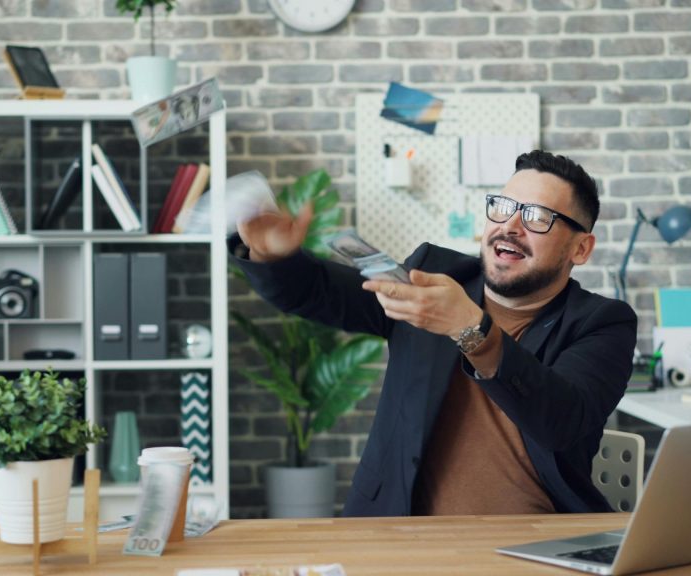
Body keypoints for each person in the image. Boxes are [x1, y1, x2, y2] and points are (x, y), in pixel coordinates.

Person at [230, 150, 638, 516]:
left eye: (536, 217)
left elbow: (561, 422)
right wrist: (273, 256)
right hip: (401, 538)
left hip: (536, 546)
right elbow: (321, 293)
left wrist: (470, 328)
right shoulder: (437, 274)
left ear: (580, 249)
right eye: (503, 207)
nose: (511, 225)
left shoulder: (603, 323)